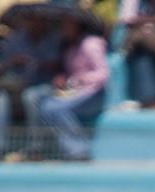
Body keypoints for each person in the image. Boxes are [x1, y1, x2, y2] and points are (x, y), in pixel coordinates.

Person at [36, 12, 108, 161]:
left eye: (67, 25)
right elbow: (71, 74)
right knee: (46, 105)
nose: (63, 29)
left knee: (55, 108)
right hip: (75, 93)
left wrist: (81, 79)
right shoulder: (69, 49)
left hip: (95, 95)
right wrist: (63, 79)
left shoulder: (91, 44)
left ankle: (79, 151)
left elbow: (103, 74)